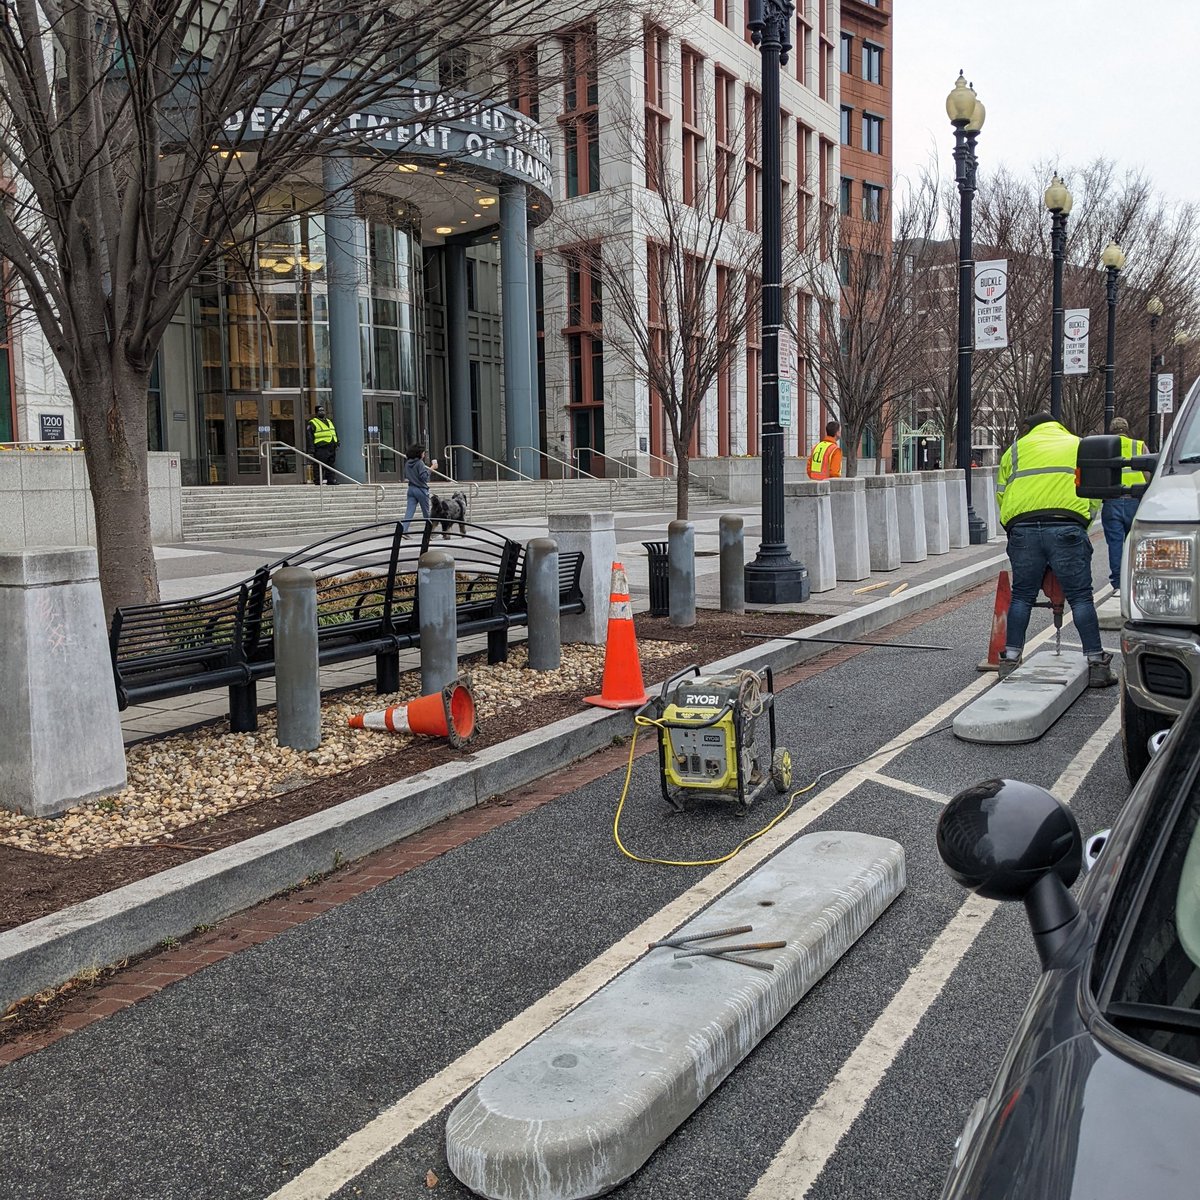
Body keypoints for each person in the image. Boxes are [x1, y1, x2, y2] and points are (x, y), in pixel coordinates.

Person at [995, 411, 1116, 687]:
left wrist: (1014, 529)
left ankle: (1010, 659)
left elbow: (1002, 494)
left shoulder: (1014, 450)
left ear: (1030, 429)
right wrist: (1082, 523)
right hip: (1067, 526)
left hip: (1023, 528)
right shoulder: (1077, 445)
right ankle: (1096, 663)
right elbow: (1093, 494)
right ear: (1057, 426)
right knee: (1082, 598)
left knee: (1022, 596)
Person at [1100, 416, 1147, 596]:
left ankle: (1118, 583)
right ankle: (1136, 579)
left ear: (1111, 430)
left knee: (1115, 544)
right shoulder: (1139, 445)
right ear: (1127, 429)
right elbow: (1148, 473)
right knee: (1136, 544)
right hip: (1135, 500)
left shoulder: (1104, 447)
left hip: (1112, 501)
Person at [401, 443, 438, 534]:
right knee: (426, 513)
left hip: (411, 489)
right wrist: (432, 468)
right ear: (419, 453)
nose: (424, 454)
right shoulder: (420, 463)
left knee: (409, 511)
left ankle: (404, 531)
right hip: (421, 489)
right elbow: (424, 477)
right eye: (423, 453)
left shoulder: (407, 463)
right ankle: (429, 532)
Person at [306, 405, 339, 484]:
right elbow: (309, 437)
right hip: (321, 446)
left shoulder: (329, 421)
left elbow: (334, 432)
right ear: (316, 413)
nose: (322, 412)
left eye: (323, 411)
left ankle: (331, 480)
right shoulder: (313, 422)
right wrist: (311, 449)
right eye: (320, 411)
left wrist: (337, 442)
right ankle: (318, 480)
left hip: (331, 445)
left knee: (331, 464)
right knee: (319, 464)